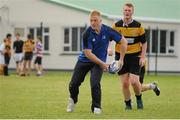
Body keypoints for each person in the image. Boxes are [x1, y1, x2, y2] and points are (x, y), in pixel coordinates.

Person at [66, 10, 127, 114]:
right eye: (91, 20)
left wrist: (121, 60)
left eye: (95, 20)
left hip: (98, 63)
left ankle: (96, 107)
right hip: (84, 60)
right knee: (73, 84)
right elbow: (88, 53)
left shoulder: (108, 30)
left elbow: (123, 41)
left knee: (95, 84)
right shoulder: (86, 33)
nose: (93, 23)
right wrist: (103, 64)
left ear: (100, 21)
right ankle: (73, 99)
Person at [112, 3, 160, 110]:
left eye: (129, 10)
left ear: (132, 12)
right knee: (125, 84)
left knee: (134, 82)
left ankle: (139, 100)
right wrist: (108, 49)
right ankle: (128, 104)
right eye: (125, 10)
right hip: (121, 57)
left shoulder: (138, 26)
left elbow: (144, 43)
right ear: (123, 11)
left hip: (135, 56)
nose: (127, 12)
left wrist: (142, 57)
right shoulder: (116, 26)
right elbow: (109, 39)